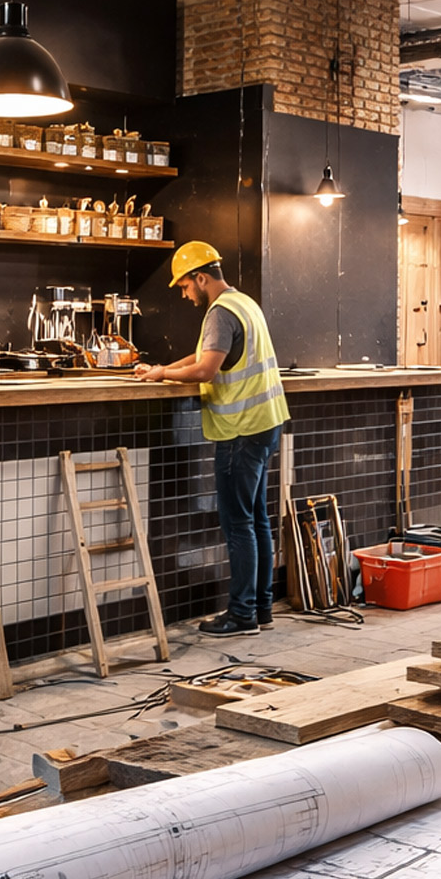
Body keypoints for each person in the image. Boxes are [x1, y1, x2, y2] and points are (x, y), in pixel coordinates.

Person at [134, 241, 289, 637]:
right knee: (256, 519)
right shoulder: (244, 303)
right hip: (266, 424)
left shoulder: (220, 313)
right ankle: (261, 608)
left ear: (201, 278)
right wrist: (162, 368)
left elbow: (205, 370)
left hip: (241, 430)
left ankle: (241, 615)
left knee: (238, 524)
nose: (185, 295)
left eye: (185, 286)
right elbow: (202, 355)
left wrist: (163, 376)